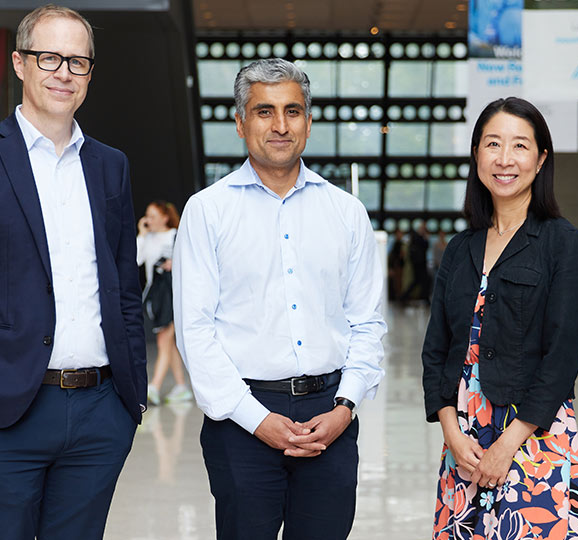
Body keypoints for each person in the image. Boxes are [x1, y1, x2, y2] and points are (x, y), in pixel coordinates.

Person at [173, 58, 386, 540]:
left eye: (292, 111)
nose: (280, 125)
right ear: (240, 122)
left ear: (308, 123)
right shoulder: (208, 212)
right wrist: (257, 419)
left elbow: (367, 324)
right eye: (264, 111)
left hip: (331, 419)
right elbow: (195, 330)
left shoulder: (346, 212)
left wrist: (344, 407)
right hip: (241, 423)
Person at [0, 5, 146, 540]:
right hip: (10, 411)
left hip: (99, 413)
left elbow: (124, 287)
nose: (63, 72)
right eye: (48, 57)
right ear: (19, 63)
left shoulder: (110, 165)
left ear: (89, 73)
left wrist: (131, 401)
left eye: (77, 61)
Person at [422, 97, 578, 540]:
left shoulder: (562, 243)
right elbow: (437, 350)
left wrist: (509, 443)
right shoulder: (460, 249)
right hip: (466, 444)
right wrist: (453, 436)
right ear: (477, 153)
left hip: (533, 436)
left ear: (541, 159)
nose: (504, 159)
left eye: (519, 146)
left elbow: (562, 357)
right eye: (492, 144)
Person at [137, 200, 192, 405]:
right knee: (169, 342)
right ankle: (181, 387)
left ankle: (155, 386)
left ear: (165, 217)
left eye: (152, 216)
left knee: (163, 340)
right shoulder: (148, 238)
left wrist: (173, 263)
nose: (148, 219)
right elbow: (135, 259)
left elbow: (189, 262)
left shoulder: (175, 236)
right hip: (155, 296)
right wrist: (142, 234)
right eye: (147, 216)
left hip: (172, 295)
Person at [400, 221, 431, 304]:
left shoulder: (417, 237)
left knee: (420, 281)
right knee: (420, 281)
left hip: (419, 263)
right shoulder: (418, 238)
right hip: (419, 264)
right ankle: (404, 296)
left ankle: (424, 298)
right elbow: (424, 247)